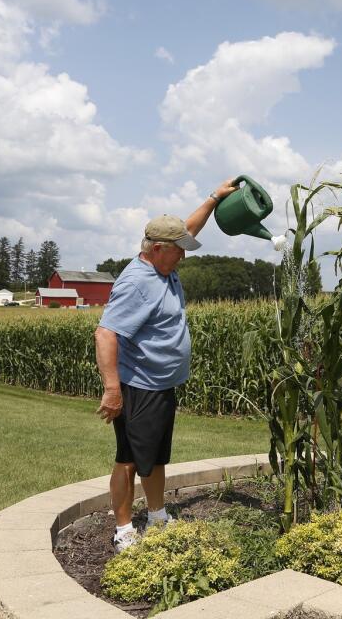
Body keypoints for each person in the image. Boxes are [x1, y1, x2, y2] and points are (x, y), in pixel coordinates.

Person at [94, 179, 238, 552]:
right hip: (138, 386)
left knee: (156, 455)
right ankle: (124, 529)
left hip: (160, 385)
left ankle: (156, 515)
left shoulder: (163, 264)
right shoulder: (138, 283)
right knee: (128, 459)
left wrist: (214, 198)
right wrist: (112, 390)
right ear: (157, 249)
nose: (184, 257)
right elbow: (105, 334)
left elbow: (188, 229)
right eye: (178, 251)